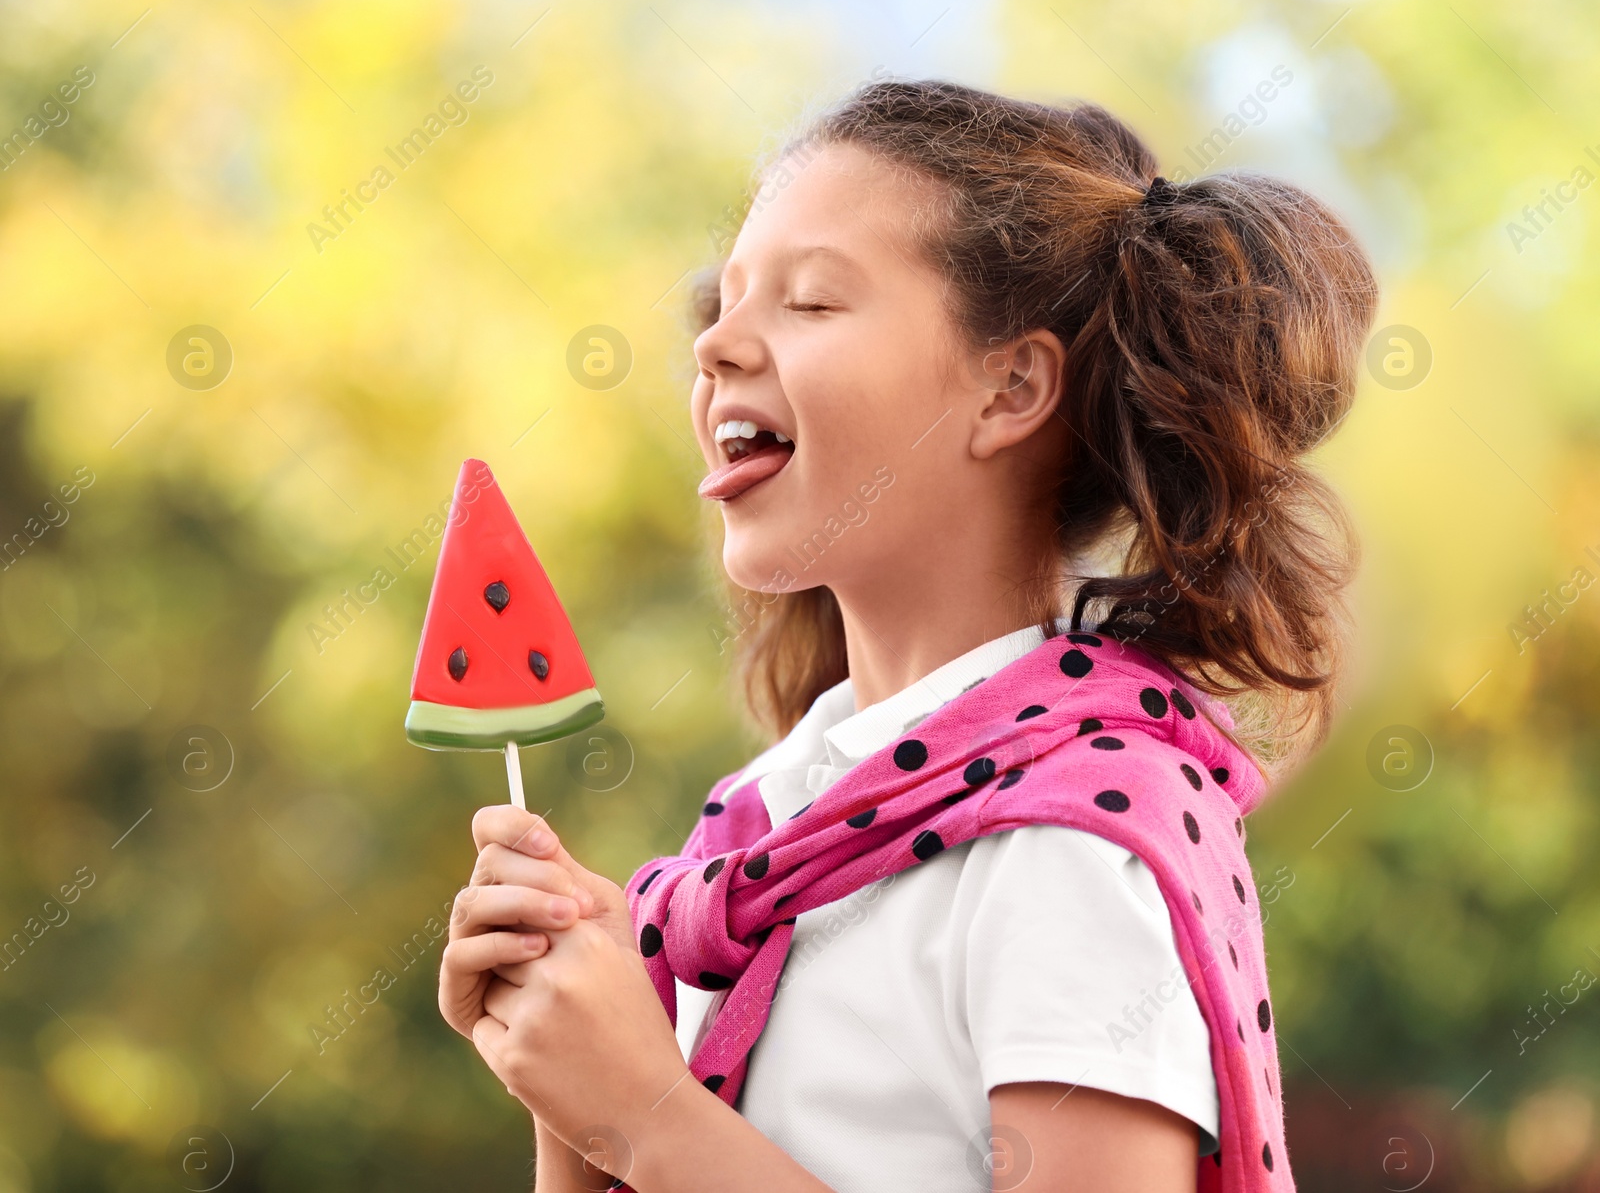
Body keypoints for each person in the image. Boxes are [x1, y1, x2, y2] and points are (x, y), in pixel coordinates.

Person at [437, 79, 1377, 1192]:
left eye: (812, 303)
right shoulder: (749, 843)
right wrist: (578, 1113)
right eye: (725, 304)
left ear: (1008, 387)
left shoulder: (1070, 848)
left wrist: (645, 1112)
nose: (717, 346)